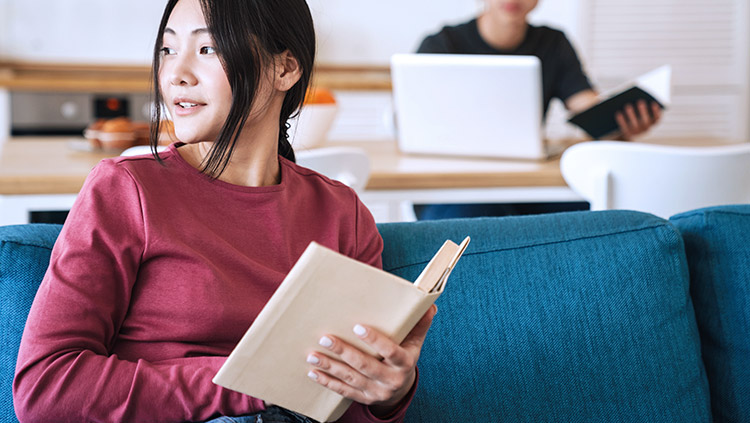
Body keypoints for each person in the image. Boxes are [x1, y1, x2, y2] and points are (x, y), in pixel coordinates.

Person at [12, 0, 434, 422]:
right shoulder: (126, 190)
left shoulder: (343, 214)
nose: (176, 74)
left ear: (285, 68)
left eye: (207, 49)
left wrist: (384, 395)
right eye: (167, 50)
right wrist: (247, 382)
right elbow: (45, 389)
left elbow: (341, 408)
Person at [413, 0, 662, 220]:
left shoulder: (553, 43)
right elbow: (416, 123)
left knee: (597, 216)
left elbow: (588, 108)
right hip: (458, 189)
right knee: (482, 218)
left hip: (526, 187)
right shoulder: (441, 45)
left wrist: (620, 124)